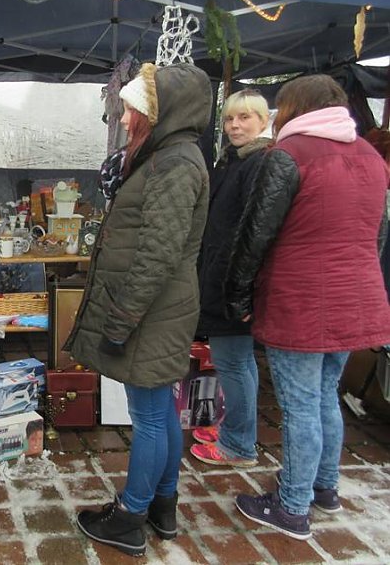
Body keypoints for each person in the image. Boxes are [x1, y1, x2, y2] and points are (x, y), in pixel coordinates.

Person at [224, 74, 390, 540]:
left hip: (301, 300)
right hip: (356, 298)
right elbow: (377, 236)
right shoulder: (372, 157)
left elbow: (257, 233)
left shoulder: (290, 155)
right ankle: (324, 488)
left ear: (296, 108)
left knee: (300, 405)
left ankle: (292, 506)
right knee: (324, 397)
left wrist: (237, 293)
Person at [64, 62, 211, 557]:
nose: (125, 120)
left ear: (159, 112)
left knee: (148, 416)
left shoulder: (174, 164)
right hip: (158, 308)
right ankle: (162, 507)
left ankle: (130, 516)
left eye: (133, 110)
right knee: (159, 410)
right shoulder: (167, 157)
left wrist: (122, 320)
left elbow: (157, 254)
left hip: (151, 311)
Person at [190, 89, 272, 467]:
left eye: (245, 118)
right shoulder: (233, 161)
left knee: (235, 363)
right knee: (237, 363)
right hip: (224, 277)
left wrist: (238, 286)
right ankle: (235, 430)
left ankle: (238, 445)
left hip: (235, 284)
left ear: (264, 121)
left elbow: (253, 231)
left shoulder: (260, 164)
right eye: (229, 119)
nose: (236, 125)